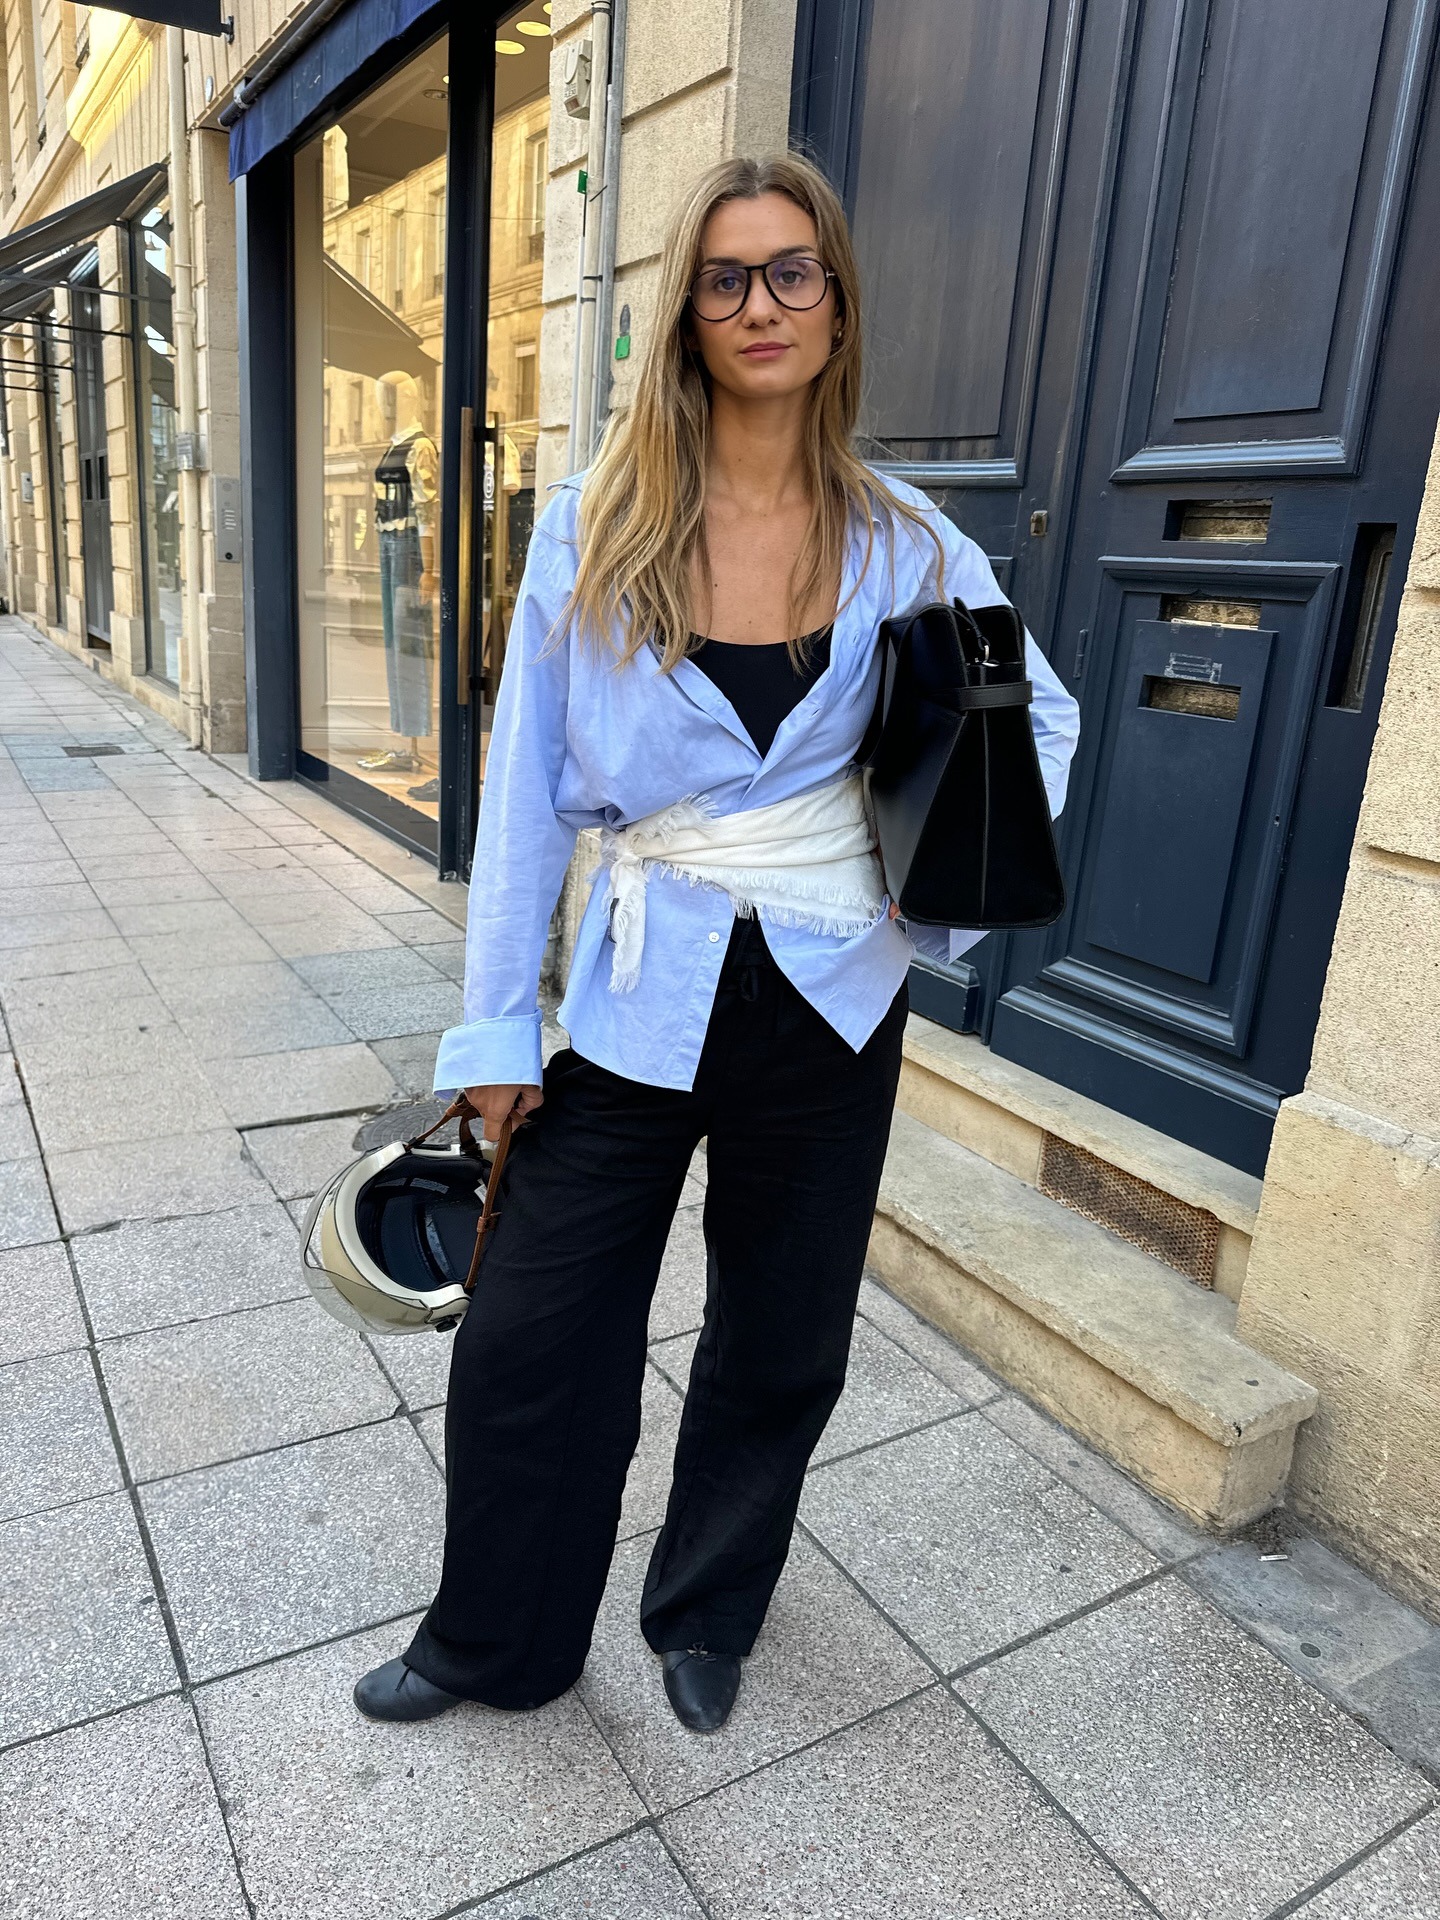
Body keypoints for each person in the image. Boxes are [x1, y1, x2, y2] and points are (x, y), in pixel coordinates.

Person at [354, 153, 1080, 1733]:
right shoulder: (594, 529)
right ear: (687, 309)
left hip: (830, 994)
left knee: (783, 1331)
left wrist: (926, 883)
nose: (763, 304)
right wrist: (495, 1033)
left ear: (838, 305)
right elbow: (524, 798)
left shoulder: (912, 545)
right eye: (727, 276)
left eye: (793, 271)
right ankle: (498, 1642)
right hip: (636, 989)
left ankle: (707, 1608)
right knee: (536, 1330)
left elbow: (1043, 719)